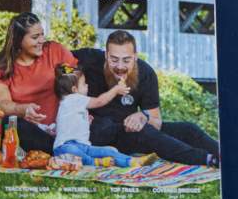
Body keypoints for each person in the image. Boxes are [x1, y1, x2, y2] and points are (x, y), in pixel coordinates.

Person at [74, 30, 220, 167]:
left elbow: (156, 121)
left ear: (135, 57)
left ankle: (226, 154)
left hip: (127, 129)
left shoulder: (146, 74)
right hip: (95, 132)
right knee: (143, 133)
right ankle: (208, 159)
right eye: (114, 60)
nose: (120, 67)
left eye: (126, 60)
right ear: (106, 55)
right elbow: (55, 61)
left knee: (188, 129)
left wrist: (143, 116)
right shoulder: (88, 59)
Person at [0, 12, 77, 154]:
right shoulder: (0, 68)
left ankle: (70, 148)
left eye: (42, 34)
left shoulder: (55, 51)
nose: (42, 40)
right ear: (18, 40)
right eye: (35, 37)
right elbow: (2, 104)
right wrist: (23, 109)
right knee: (11, 122)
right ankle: (65, 151)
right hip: (35, 133)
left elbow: (76, 78)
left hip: (64, 126)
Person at [53, 63, 157, 167]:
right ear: (74, 90)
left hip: (83, 146)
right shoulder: (73, 98)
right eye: (84, 84)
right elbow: (99, 101)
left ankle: (131, 161)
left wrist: (84, 121)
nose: (87, 86)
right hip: (64, 148)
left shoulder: (71, 104)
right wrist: (115, 90)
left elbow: (68, 126)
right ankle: (94, 162)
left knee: (108, 151)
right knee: (71, 150)